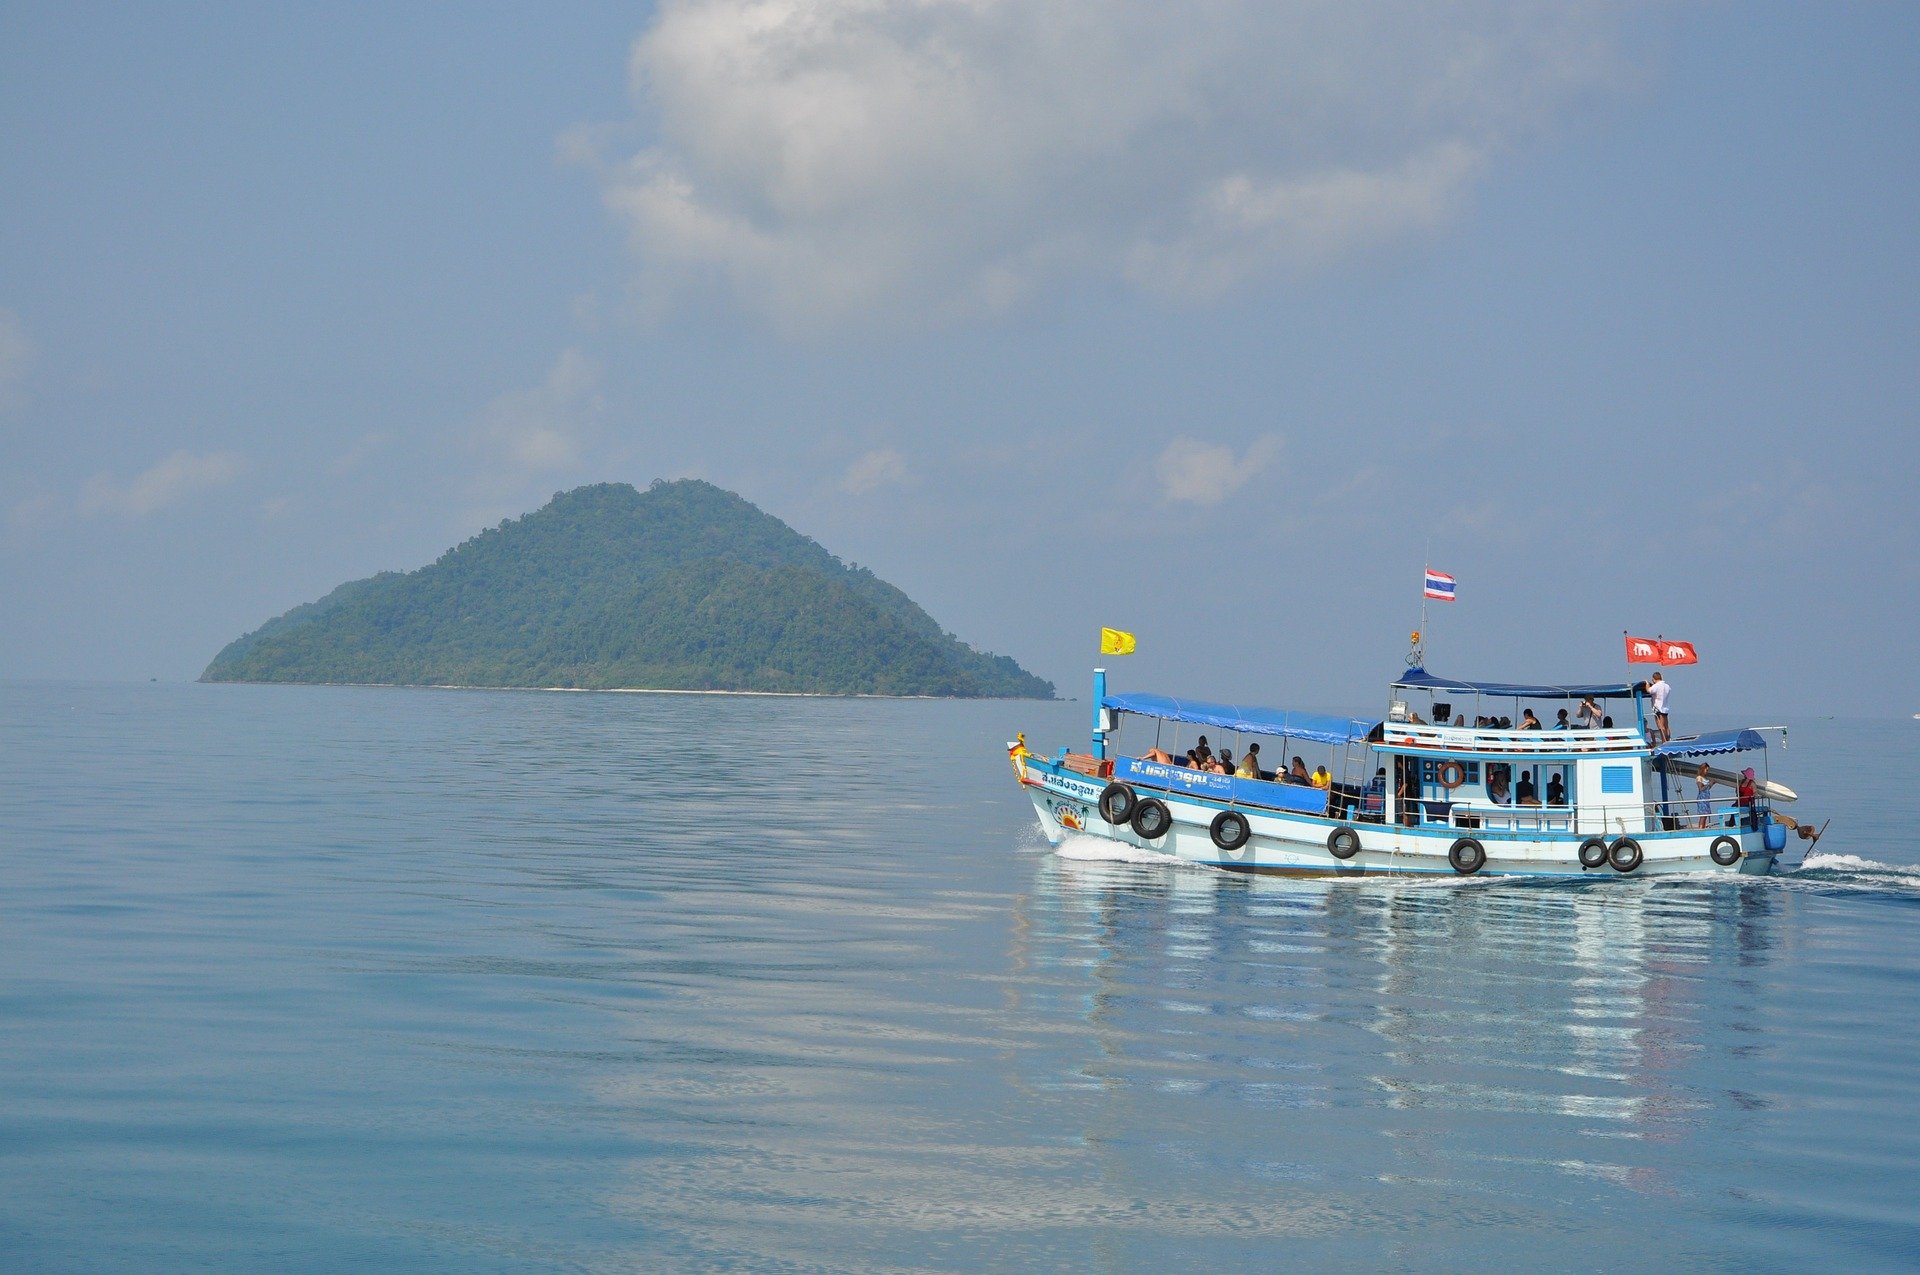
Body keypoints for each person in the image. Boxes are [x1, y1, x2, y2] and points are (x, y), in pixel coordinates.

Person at [1647, 671, 1672, 743]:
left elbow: (1649, 690)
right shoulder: (1667, 686)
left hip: (1658, 708)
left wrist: (1647, 684)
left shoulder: (1656, 686)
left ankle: (1664, 741)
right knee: (1666, 726)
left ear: (1653, 679)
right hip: (1665, 708)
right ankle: (1668, 739)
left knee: (1660, 726)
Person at [1694, 762, 1714, 829]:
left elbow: (1707, 788)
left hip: (1706, 798)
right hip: (1702, 798)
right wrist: (1708, 784)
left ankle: (1703, 827)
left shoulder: (1705, 778)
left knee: (1705, 815)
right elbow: (1701, 788)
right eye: (1706, 770)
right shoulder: (1699, 778)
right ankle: (1701, 829)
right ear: (1703, 769)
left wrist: (1711, 784)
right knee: (1703, 816)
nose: (1707, 771)